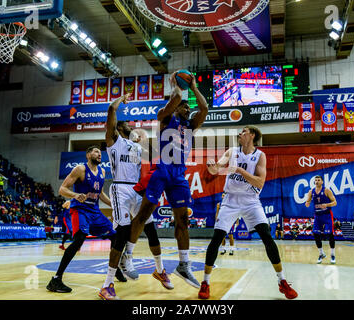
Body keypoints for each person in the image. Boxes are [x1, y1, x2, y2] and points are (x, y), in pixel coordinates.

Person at [127, 71, 209, 291]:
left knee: (183, 221)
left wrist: (193, 87)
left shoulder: (190, 126)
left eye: (188, 107)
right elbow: (175, 100)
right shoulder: (166, 118)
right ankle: (128, 255)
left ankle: (184, 264)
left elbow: (205, 109)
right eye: (184, 106)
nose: (187, 108)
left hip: (179, 175)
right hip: (162, 170)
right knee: (144, 214)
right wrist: (177, 86)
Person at [198, 126, 298, 300]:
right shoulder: (232, 151)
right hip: (230, 200)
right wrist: (212, 168)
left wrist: (239, 170)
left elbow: (260, 183)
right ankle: (205, 283)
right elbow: (217, 169)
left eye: (243, 131)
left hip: (251, 200)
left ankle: (282, 281)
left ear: (252, 135)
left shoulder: (260, 156)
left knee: (267, 236)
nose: (239, 134)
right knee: (216, 238)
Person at [99, 94, 173, 301]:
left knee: (151, 230)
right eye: (128, 125)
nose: (132, 127)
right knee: (122, 232)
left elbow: (152, 167)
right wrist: (120, 100)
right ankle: (107, 285)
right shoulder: (114, 141)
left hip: (137, 191)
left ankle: (160, 270)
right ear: (120, 128)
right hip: (120, 189)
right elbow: (111, 112)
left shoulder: (139, 147)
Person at [46, 146, 118, 293]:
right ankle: (56, 279)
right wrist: (74, 195)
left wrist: (114, 205)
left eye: (100, 152)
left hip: (95, 211)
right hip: (80, 209)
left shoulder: (103, 172)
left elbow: (101, 194)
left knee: (115, 237)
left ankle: (115, 269)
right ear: (88, 155)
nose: (99, 154)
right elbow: (62, 189)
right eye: (96, 151)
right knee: (79, 239)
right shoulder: (80, 169)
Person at [305, 175, 337, 264]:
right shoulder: (311, 191)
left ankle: (332, 255)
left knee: (329, 234)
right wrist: (307, 203)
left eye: (318, 180)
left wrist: (327, 205)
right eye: (315, 180)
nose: (317, 181)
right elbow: (308, 201)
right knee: (315, 233)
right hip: (318, 216)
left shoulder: (327, 190)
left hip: (327, 215)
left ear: (322, 182)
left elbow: (335, 202)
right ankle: (321, 253)